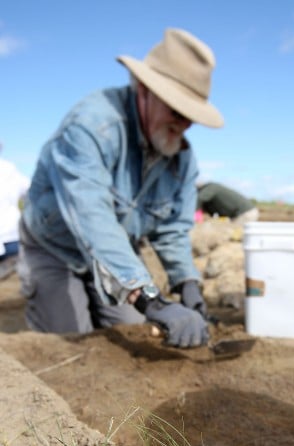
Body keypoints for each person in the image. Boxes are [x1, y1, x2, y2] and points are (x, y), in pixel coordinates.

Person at [18, 28, 224, 348]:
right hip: (56, 249)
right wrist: (152, 299)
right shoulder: (92, 126)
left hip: (120, 252)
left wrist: (187, 284)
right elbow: (92, 217)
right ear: (144, 90)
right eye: (176, 111)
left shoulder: (181, 160)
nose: (183, 125)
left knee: (131, 332)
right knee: (75, 340)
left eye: (190, 117)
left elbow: (171, 230)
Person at [0, 150, 30, 279]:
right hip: (13, 236)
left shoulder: (9, 169)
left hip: (11, 238)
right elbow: (31, 192)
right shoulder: (10, 170)